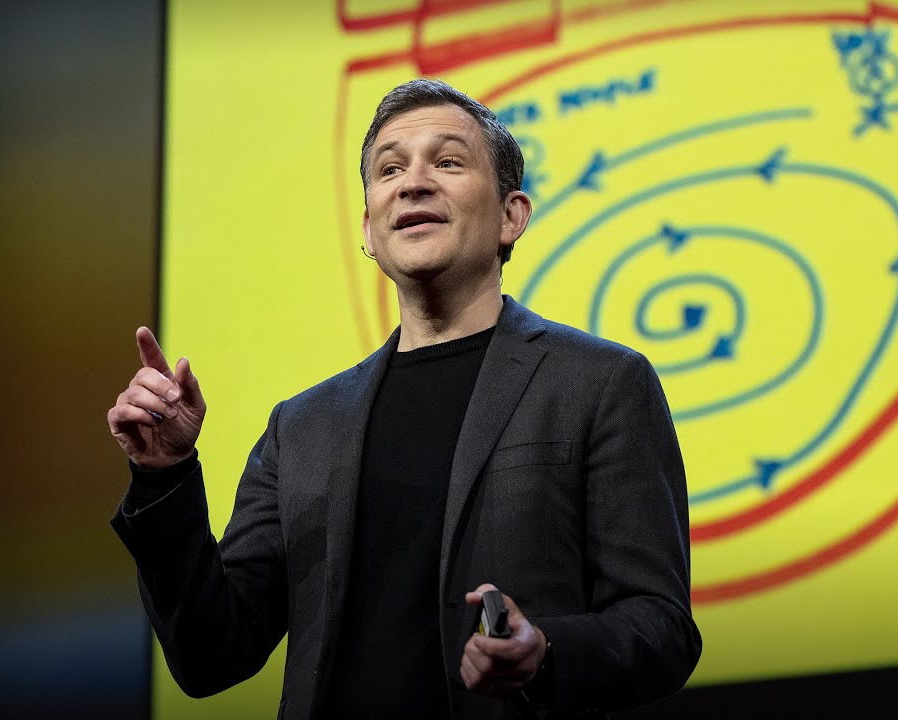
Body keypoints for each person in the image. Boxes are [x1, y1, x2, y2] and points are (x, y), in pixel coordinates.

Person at [108, 78, 700, 719]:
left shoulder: (599, 383)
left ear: (511, 216)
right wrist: (164, 475)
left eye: (448, 162)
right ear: (369, 227)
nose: (412, 183)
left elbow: (661, 627)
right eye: (389, 170)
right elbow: (210, 655)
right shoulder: (300, 428)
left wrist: (545, 652)